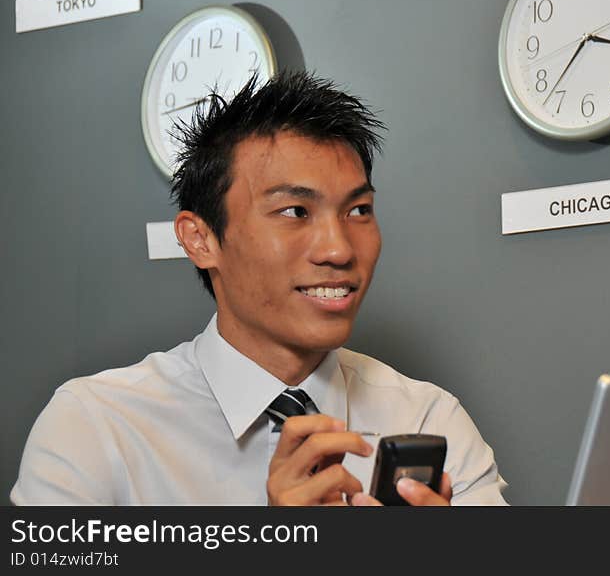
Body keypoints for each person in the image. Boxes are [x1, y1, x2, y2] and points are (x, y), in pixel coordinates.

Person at [11, 71, 507, 506]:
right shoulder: (97, 427)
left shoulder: (428, 418)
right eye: (295, 212)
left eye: (358, 211)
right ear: (200, 239)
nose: (338, 250)